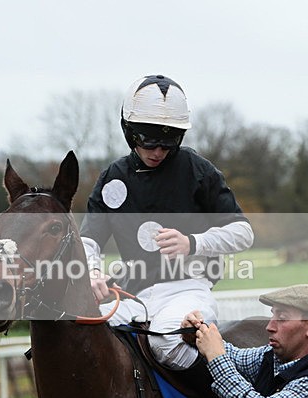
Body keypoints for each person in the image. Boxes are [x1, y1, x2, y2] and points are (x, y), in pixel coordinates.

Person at [79, 74, 254, 377]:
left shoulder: (198, 170)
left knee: (165, 342)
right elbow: (89, 239)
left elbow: (243, 232)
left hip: (187, 289)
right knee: (84, 335)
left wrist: (193, 243)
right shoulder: (112, 177)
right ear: (129, 132)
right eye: (148, 142)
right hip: (132, 294)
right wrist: (92, 271)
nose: (157, 152)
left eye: (166, 143)